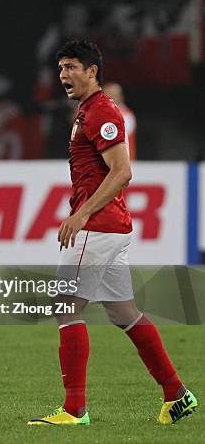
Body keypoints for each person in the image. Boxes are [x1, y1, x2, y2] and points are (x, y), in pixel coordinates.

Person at [27, 40, 196, 426]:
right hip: (112, 226)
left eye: (71, 67)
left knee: (65, 306)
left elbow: (122, 171)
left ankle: (74, 410)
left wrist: (82, 213)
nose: (63, 75)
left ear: (92, 71)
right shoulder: (88, 110)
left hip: (98, 226)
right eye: (60, 68)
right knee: (123, 313)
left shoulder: (101, 110)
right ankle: (177, 395)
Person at [102, 82, 136, 160]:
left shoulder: (127, 115)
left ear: (120, 97)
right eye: (107, 94)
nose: (110, 97)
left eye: (113, 95)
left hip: (124, 164)